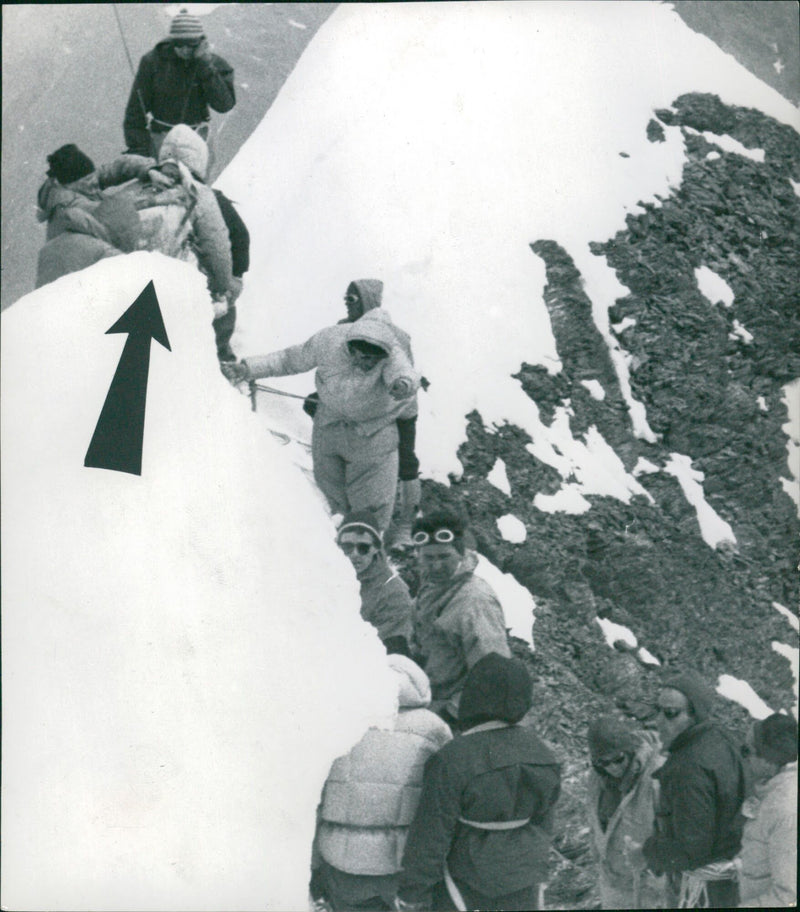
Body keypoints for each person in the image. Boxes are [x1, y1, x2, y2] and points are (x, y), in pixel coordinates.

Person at [221, 308, 419, 530]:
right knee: (329, 498)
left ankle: (365, 549)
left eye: (374, 359)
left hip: (373, 436)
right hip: (328, 426)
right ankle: (332, 548)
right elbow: (289, 360)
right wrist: (247, 368)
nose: (367, 363)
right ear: (350, 347)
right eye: (363, 357)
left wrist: (403, 384)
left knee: (370, 510)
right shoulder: (329, 340)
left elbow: (404, 373)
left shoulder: (393, 351)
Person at [395, 652, 561, 911]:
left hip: (465, 885)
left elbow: (430, 837)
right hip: (525, 883)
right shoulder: (543, 754)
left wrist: (413, 893)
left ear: (474, 695)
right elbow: (544, 827)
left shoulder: (452, 758)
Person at [311, 655, 452, 912]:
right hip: (402, 868)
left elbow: (315, 802)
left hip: (342, 865)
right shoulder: (435, 729)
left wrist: (313, 867)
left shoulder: (337, 724)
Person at [641, 672, 746, 908]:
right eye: (657, 710)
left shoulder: (688, 768)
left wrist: (646, 851)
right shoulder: (723, 738)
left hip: (707, 892)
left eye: (670, 714)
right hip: (736, 879)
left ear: (694, 715)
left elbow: (691, 850)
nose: (658, 721)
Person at [339, 280, 422, 546]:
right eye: (346, 299)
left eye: (352, 299)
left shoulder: (395, 334)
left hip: (397, 407)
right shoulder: (343, 328)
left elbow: (401, 371)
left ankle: (406, 523)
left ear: (367, 301)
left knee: (405, 460)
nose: (347, 303)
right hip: (363, 403)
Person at [410, 510, 511, 722]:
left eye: (444, 557)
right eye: (428, 557)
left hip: (456, 712)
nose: (436, 565)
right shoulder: (431, 587)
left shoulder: (475, 601)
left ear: (460, 553)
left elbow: (493, 674)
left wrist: (452, 714)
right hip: (428, 699)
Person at [35, 144, 154, 287]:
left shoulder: (77, 185)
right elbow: (117, 214)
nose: (95, 186)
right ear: (69, 186)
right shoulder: (70, 209)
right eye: (88, 183)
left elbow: (112, 169)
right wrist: (157, 198)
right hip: (83, 278)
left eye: (94, 179)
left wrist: (150, 169)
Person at [123, 9, 235, 158]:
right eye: (179, 44)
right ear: (171, 41)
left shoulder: (214, 64)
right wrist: (140, 150)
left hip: (199, 138)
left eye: (191, 45)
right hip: (162, 139)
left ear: (201, 43)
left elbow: (224, 105)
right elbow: (136, 111)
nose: (184, 50)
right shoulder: (152, 62)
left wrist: (205, 67)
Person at [586, 716, 667, 909]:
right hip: (613, 884)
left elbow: (675, 833)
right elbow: (593, 822)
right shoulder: (596, 778)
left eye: (618, 759)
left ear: (630, 750)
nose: (613, 767)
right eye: (604, 762)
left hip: (652, 890)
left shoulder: (658, 777)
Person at [737, 713, 797, 907]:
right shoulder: (772, 792)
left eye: (747, 751)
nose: (743, 758)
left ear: (768, 759)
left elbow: (787, 896)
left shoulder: (785, 810)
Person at [336, 510, 413, 656]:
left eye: (363, 548)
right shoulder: (329, 575)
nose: (354, 554)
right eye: (347, 547)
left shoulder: (393, 592)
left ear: (376, 548)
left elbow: (390, 648)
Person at [210, 187, 249, 361]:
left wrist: (233, 277)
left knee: (220, 320)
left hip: (221, 275)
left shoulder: (209, 199)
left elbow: (240, 236)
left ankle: (224, 363)